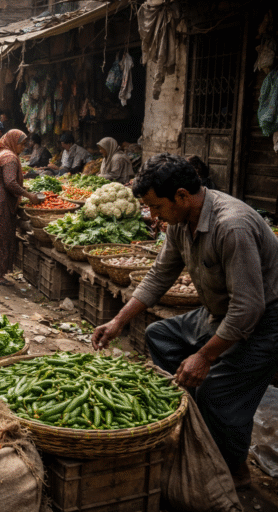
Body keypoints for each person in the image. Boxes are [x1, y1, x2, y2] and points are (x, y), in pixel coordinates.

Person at [91, 153, 278, 490]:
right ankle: (197, 426)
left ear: (181, 195)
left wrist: (204, 357)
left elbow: (249, 308)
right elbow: (159, 276)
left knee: (220, 394)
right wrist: (118, 321)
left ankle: (234, 472)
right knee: (160, 336)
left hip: (266, 320)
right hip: (219, 312)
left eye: (155, 207)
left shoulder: (230, 226)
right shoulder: (179, 223)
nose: (153, 216)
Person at [0, 130, 42, 286]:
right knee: (0, 236)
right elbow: (10, 182)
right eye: (22, 144)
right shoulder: (10, 157)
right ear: (13, 142)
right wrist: (29, 195)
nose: (24, 147)